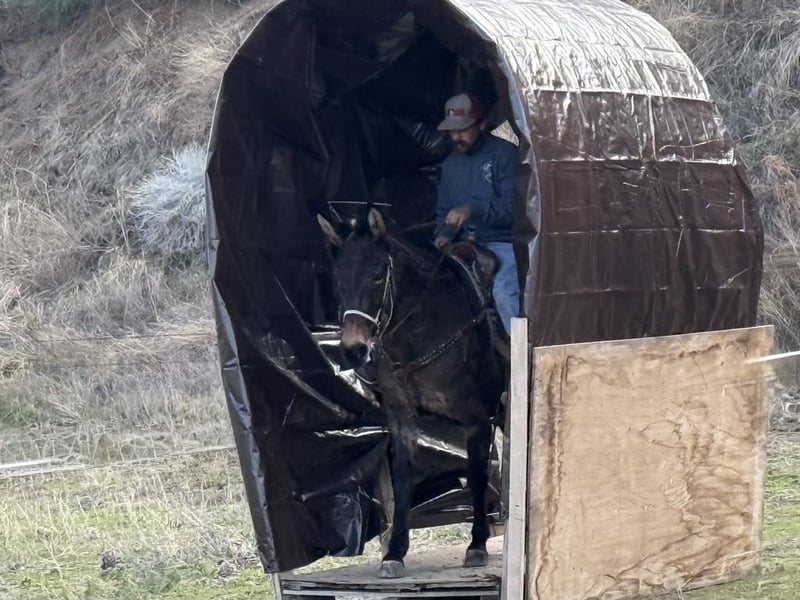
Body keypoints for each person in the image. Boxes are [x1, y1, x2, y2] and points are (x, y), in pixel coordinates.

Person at [433, 93, 520, 335]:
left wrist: (471, 209)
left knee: (503, 293)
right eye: (452, 131)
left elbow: (514, 208)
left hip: (503, 242)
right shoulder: (450, 165)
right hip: (465, 247)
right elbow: (443, 211)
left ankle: (521, 351)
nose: (456, 137)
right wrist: (443, 234)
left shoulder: (504, 154)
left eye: (463, 129)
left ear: (481, 124)